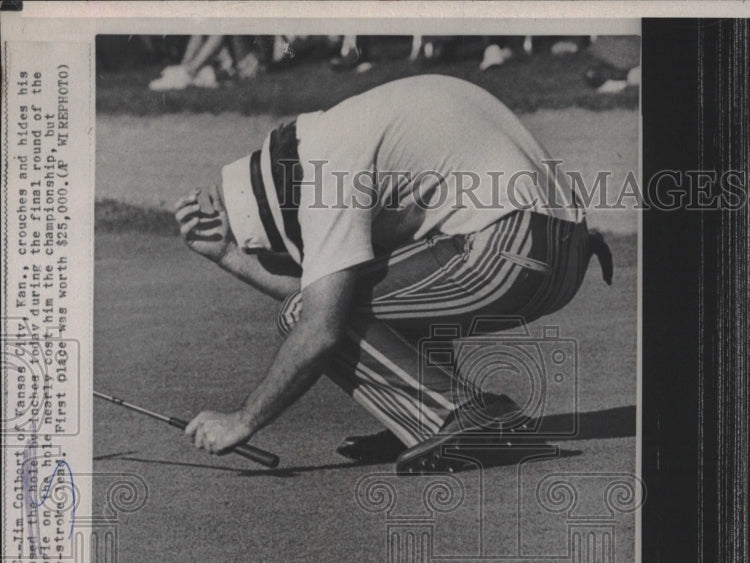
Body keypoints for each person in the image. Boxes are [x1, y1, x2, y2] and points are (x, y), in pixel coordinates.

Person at [174, 75, 612, 473]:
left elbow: (318, 325)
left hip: (513, 252)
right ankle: (422, 418)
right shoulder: (336, 135)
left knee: (306, 315)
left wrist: (241, 421)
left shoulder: (323, 176)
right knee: (366, 281)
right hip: (558, 252)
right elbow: (333, 294)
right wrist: (230, 254)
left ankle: (458, 412)